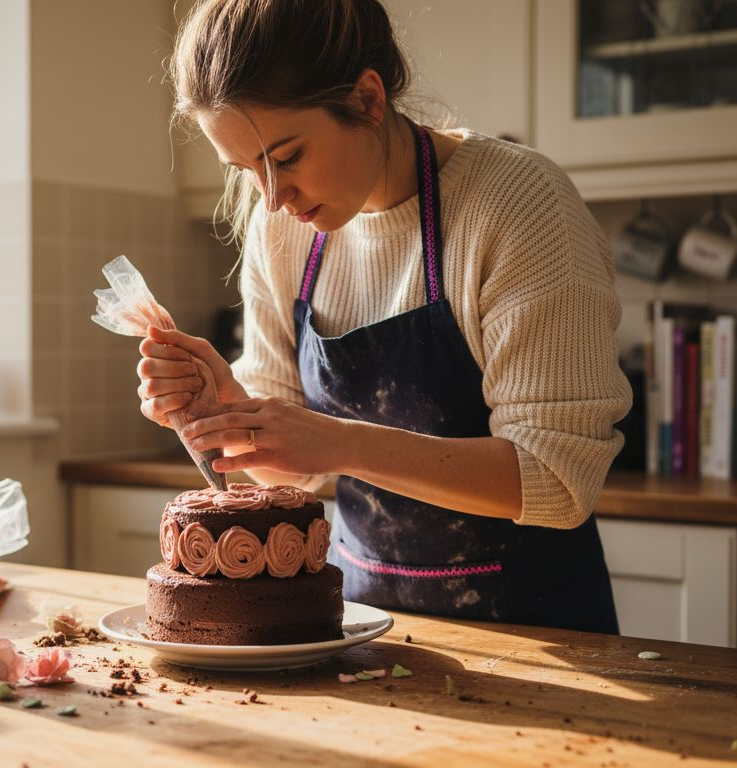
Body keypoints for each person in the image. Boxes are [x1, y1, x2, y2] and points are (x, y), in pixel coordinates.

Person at [136, 0, 632, 633]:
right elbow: (299, 472)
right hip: (353, 627)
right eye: (245, 170)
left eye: (287, 158)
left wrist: (342, 441)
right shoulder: (282, 230)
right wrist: (227, 410)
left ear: (368, 99)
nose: (272, 198)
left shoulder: (517, 206)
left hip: (537, 633)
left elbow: (557, 482)